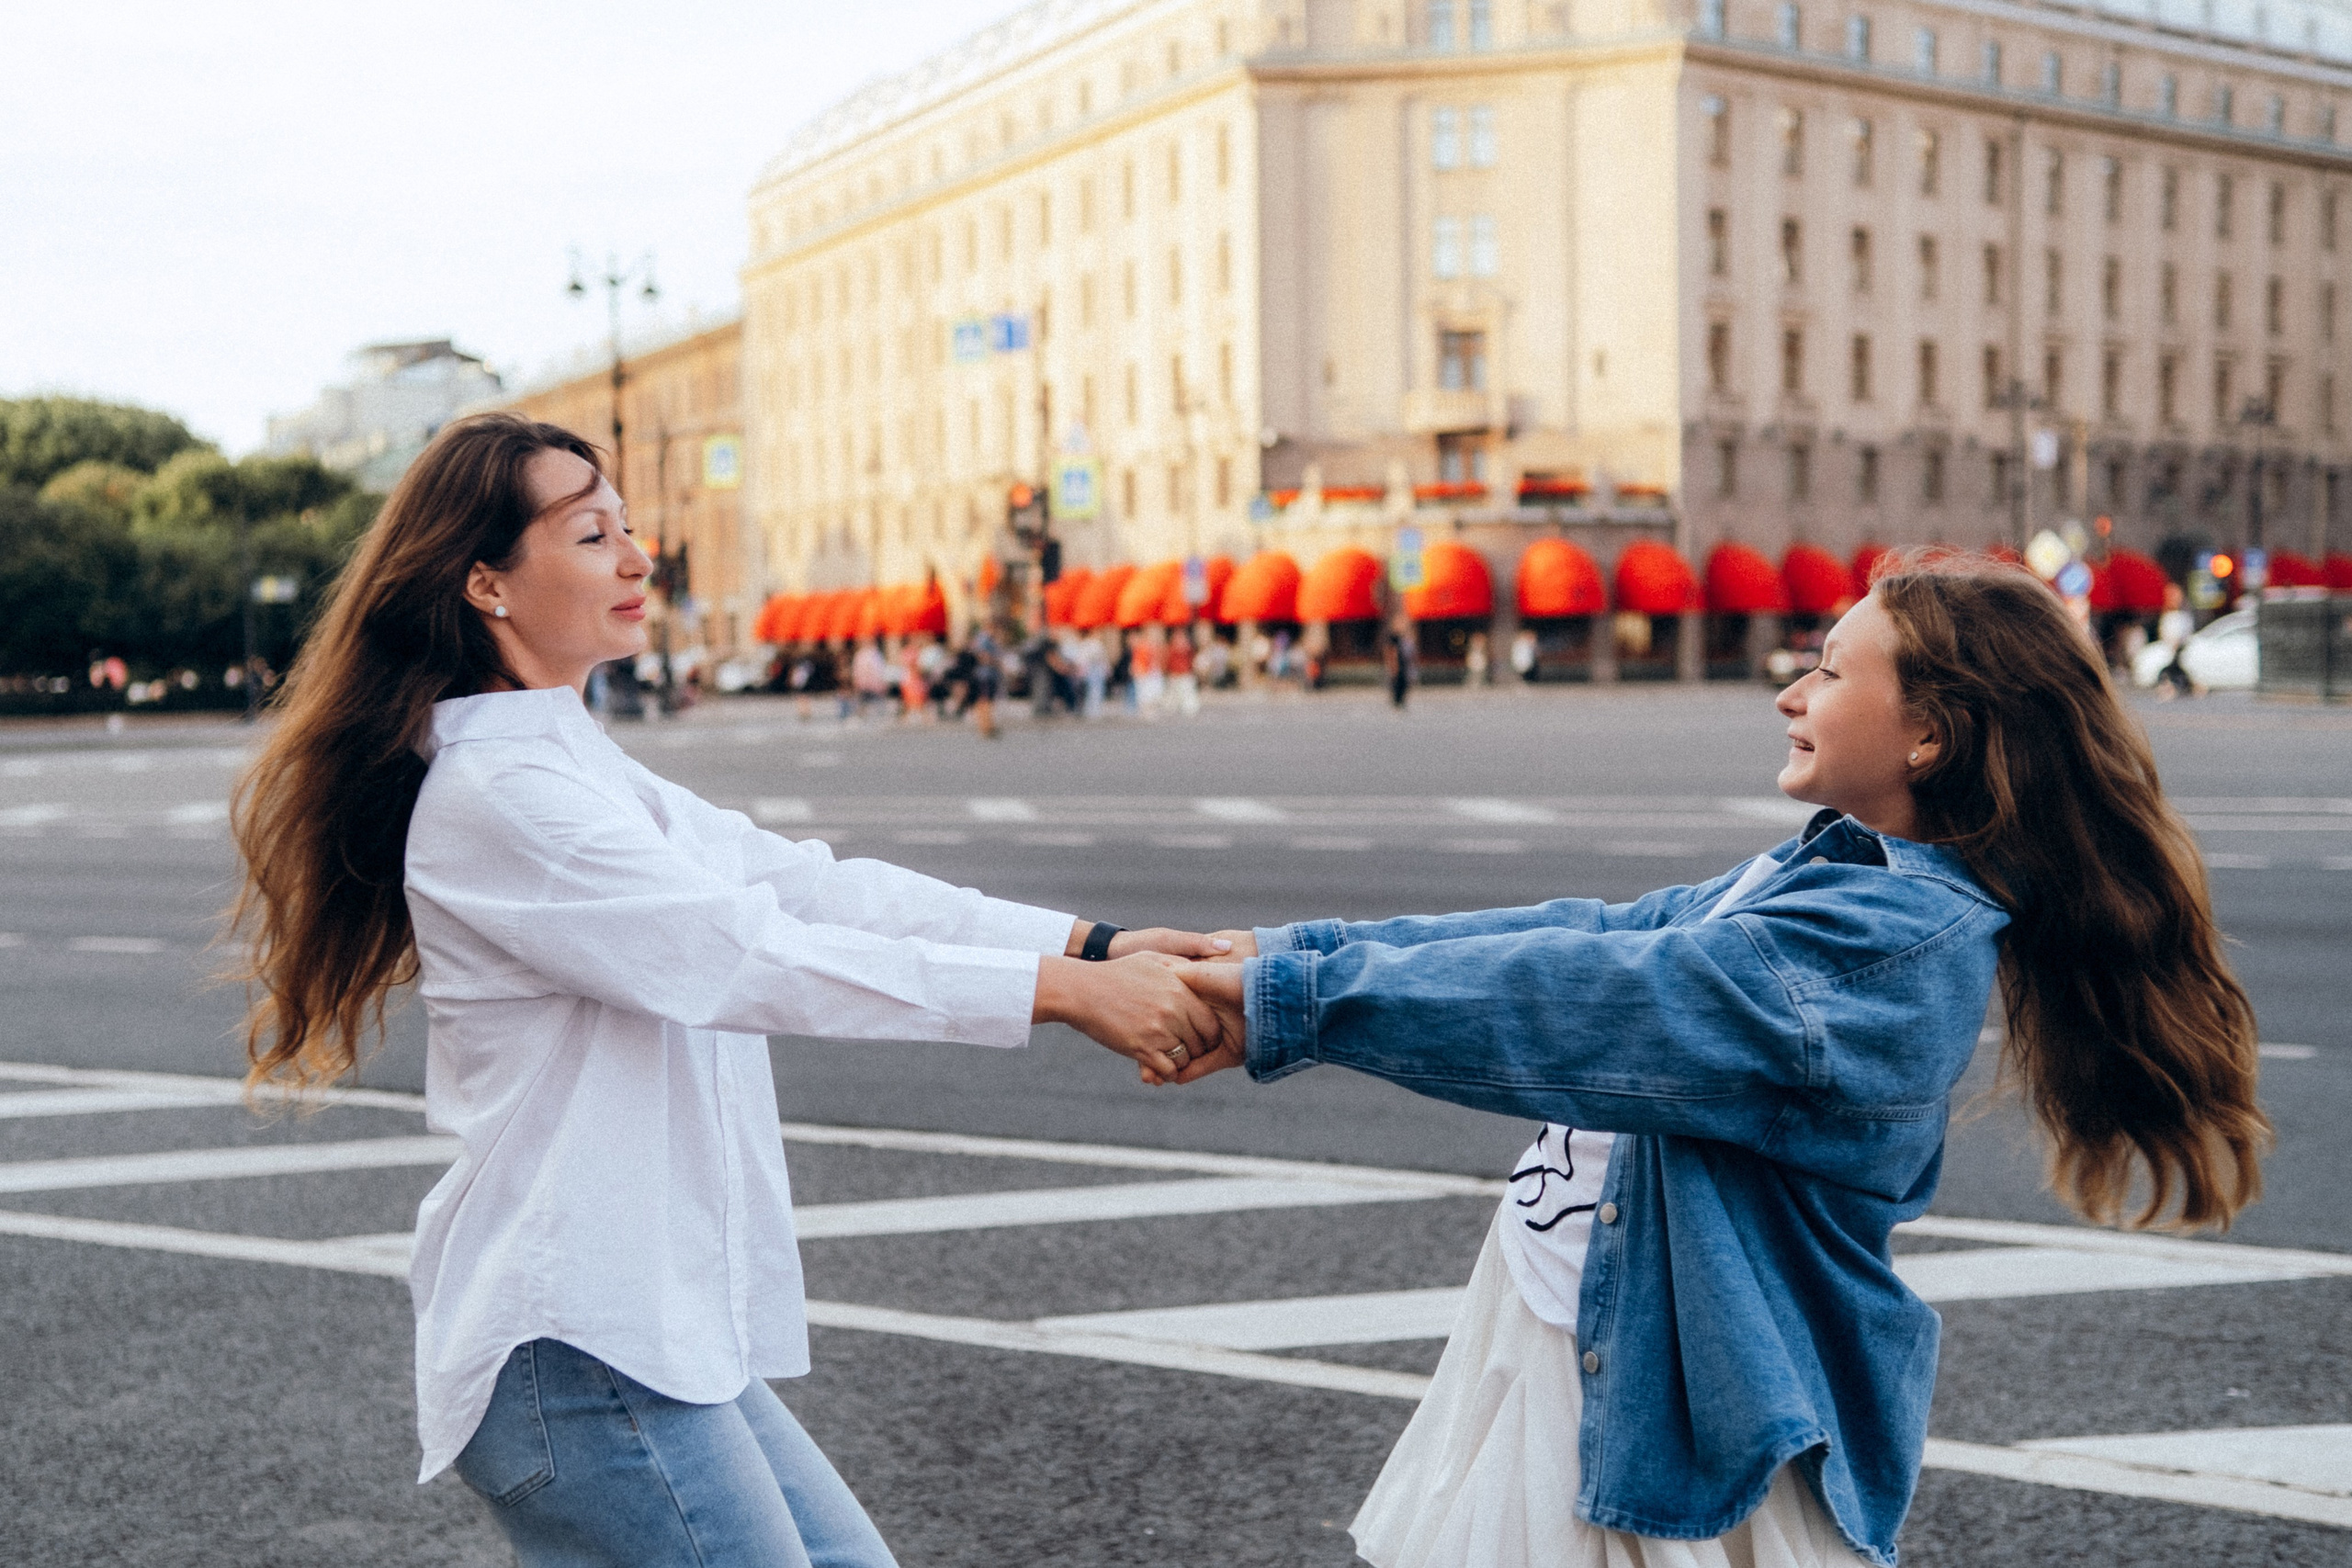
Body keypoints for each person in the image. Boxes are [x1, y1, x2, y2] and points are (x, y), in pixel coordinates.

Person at [226, 414, 1236, 1568]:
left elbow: (812, 890)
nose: (638, 557)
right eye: (592, 533)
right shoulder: (504, 796)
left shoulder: (570, 762)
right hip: (582, 1349)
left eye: (627, 527)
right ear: (485, 584)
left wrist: (1093, 946)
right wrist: (1055, 992)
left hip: (645, 1342)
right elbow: (741, 956)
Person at [1166, 555, 2267, 1568]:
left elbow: (1595, 1005)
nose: (1791, 695)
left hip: (1680, 1405)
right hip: (1590, 1341)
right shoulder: (1829, 871)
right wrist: (1280, 957)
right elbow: (1595, 935)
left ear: (1929, 735)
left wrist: (1291, 1004)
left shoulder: (1878, 940)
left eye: (1830, 673)